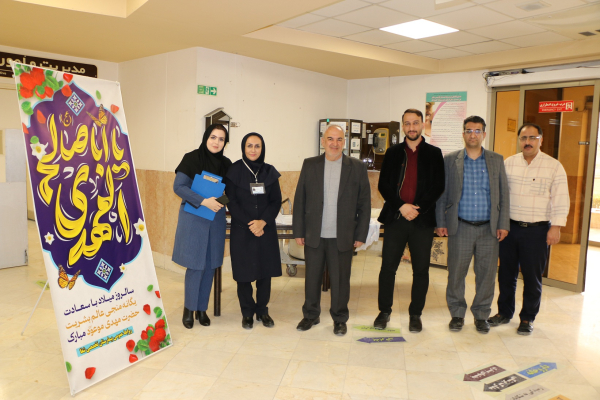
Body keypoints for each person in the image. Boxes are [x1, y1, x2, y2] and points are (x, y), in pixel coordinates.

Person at [488, 123, 569, 335]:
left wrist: (556, 227)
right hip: (510, 229)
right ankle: (504, 313)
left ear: (541, 140)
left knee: (532, 277)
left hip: (537, 231)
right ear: (519, 141)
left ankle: (527, 318)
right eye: (524, 138)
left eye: (532, 138)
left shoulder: (553, 166)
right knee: (506, 274)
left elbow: (561, 199)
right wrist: (500, 223)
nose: (528, 142)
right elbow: (500, 196)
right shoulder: (509, 163)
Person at [293, 124, 371, 336]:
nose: (334, 144)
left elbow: (364, 204)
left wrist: (360, 234)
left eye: (339, 139)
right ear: (323, 141)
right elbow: (300, 199)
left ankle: (339, 318)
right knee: (312, 279)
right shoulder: (310, 164)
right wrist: (299, 231)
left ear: (344, 142)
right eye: (330, 139)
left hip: (342, 235)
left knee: (340, 281)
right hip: (314, 234)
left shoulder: (356, 167)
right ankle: (311, 315)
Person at [435, 115, 510, 334]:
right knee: (456, 273)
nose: (473, 135)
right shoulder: (451, 160)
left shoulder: (496, 159)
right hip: (460, 227)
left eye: (477, 131)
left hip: (489, 229)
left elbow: (503, 194)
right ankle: (457, 314)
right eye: (469, 130)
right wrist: (441, 222)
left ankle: (481, 315)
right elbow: (442, 194)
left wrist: (503, 223)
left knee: (486, 275)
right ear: (463, 134)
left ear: (484, 134)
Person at [374, 108, 444, 333]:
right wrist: (401, 206)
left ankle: (415, 314)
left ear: (422, 124)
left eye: (415, 123)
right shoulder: (393, 152)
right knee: (388, 268)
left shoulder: (434, 153)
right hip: (396, 218)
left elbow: (438, 186)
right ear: (403, 126)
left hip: (422, 221)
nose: (411, 127)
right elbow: (383, 185)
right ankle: (384, 311)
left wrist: (417, 208)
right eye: (407, 123)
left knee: (421, 270)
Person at [172, 124, 231, 329]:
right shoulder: (192, 158)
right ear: (206, 138)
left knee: (210, 265)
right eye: (213, 137)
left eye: (221, 139)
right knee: (195, 265)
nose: (216, 142)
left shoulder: (226, 164)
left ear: (225, 143)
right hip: (194, 218)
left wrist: (221, 200)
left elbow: (230, 194)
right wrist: (204, 201)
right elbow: (179, 187)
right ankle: (189, 309)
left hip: (215, 220)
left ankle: (202, 309)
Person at [225, 133, 282, 329]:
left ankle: (262, 311)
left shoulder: (269, 171)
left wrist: (262, 222)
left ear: (262, 148)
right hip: (243, 231)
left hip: (265, 230)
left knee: (265, 273)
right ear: (243, 148)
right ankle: (247, 313)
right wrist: (252, 224)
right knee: (244, 274)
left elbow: (276, 201)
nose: (253, 150)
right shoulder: (234, 171)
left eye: (257, 146)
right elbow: (232, 202)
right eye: (249, 145)